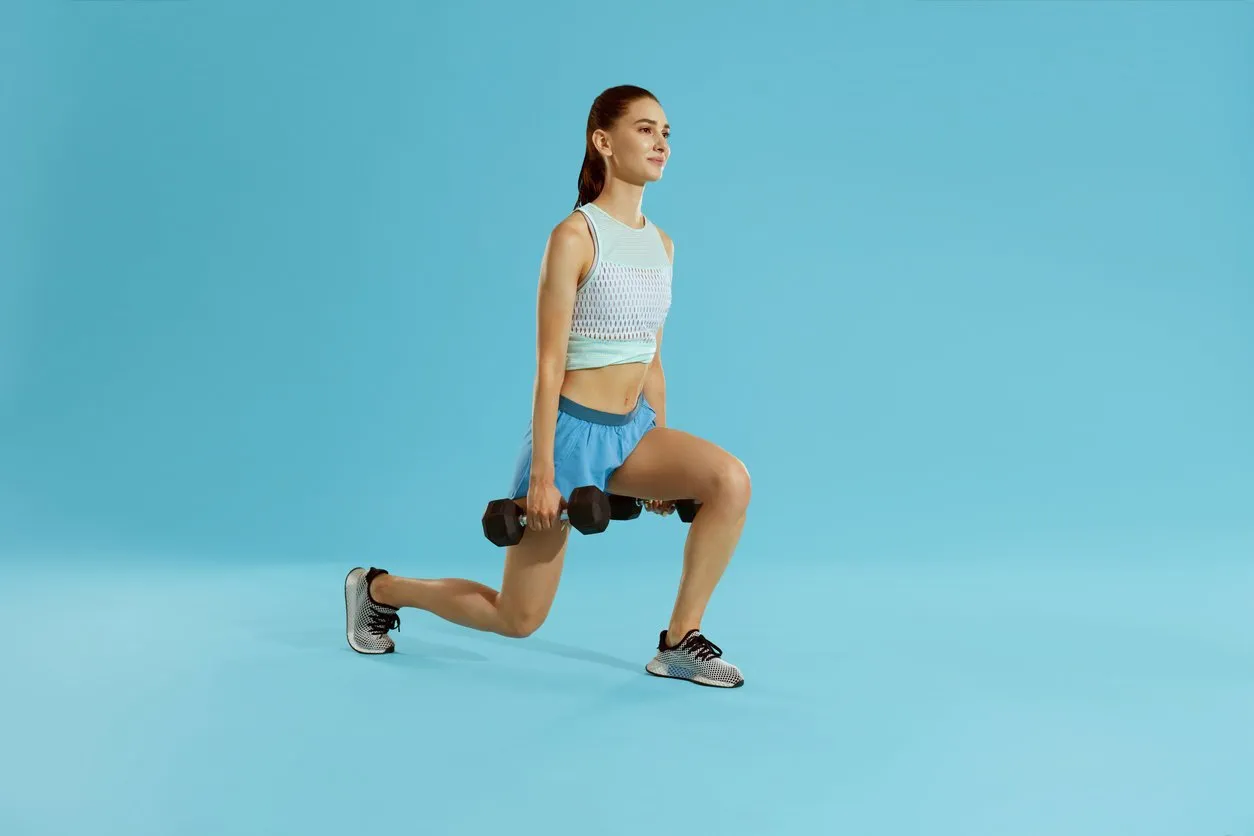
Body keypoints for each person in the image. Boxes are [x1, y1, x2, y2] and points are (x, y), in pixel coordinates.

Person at [343, 85, 750, 688]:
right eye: (645, 129)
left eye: (666, 132)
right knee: (518, 618)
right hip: (568, 441)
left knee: (728, 481)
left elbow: (652, 358)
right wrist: (542, 474)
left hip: (632, 431)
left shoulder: (662, 245)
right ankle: (376, 588)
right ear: (603, 142)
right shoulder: (575, 237)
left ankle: (678, 642)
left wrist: (662, 454)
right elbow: (549, 364)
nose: (661, 142)